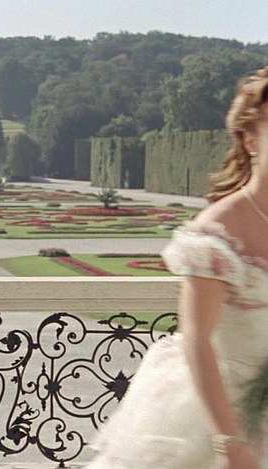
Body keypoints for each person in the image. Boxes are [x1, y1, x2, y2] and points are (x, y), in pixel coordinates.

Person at [88, 66, 268, 469]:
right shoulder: (215, 233)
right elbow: (197, 340)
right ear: (250, 139)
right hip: (218, 413)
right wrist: (228, 443)